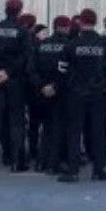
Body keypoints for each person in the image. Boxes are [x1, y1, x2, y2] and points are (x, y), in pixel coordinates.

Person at [59, 9, 106, 183]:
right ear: (96, 21)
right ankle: (98, 171)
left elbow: (62, 69)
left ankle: (73, 171)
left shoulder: (71, 44)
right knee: (98, 131)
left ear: (80, 22)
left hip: (76, 92)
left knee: (74, 132)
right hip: (98, 93)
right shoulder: (103, 43)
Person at [0, 0, 33, 173]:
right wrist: (8, 72)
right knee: (16, 122)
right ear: (19, 11)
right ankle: (17, 161)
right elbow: (24, 57)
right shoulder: (23, 32)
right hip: (15, 81)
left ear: (5, 9)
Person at [29, 16, 71, 174]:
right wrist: (55, 86)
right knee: (60, 127)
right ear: (67, 28)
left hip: (42, 93)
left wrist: (42, 86)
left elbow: (31, 70)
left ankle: (41, 160)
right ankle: (54, 162)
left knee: (46, 127)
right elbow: (68, 72)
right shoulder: (69, 46)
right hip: (62, 92)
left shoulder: (40, 46)